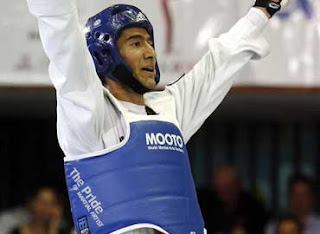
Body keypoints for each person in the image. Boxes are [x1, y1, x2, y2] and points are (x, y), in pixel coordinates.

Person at [26, 0, 282, 233]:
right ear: (104, 54)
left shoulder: (169, 109)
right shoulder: (90, 114)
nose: (150, 52)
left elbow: (221, 59)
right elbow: (61, 32)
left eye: (150, 42)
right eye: (136, 43)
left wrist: (264, 8)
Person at [198, 165, 269, 233]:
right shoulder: (205, 203)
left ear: (237, 185)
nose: (223, 191)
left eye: (228, 186)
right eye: (219, 186)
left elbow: (264, 225)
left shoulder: (252, 206)